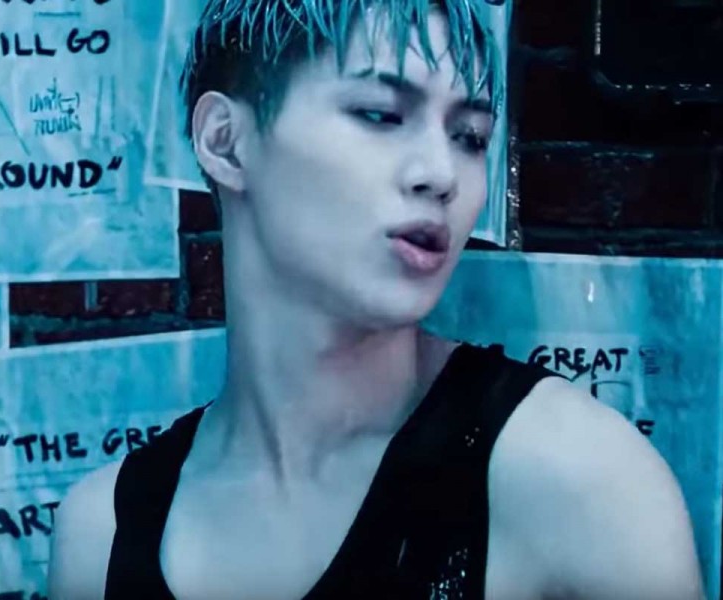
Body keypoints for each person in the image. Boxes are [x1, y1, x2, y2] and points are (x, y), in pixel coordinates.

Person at [48, 1, 706, 598]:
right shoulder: (101, 534)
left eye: (470, 137)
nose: (441, 175)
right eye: (381, 115)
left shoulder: (575, 478)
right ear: (226, 140)